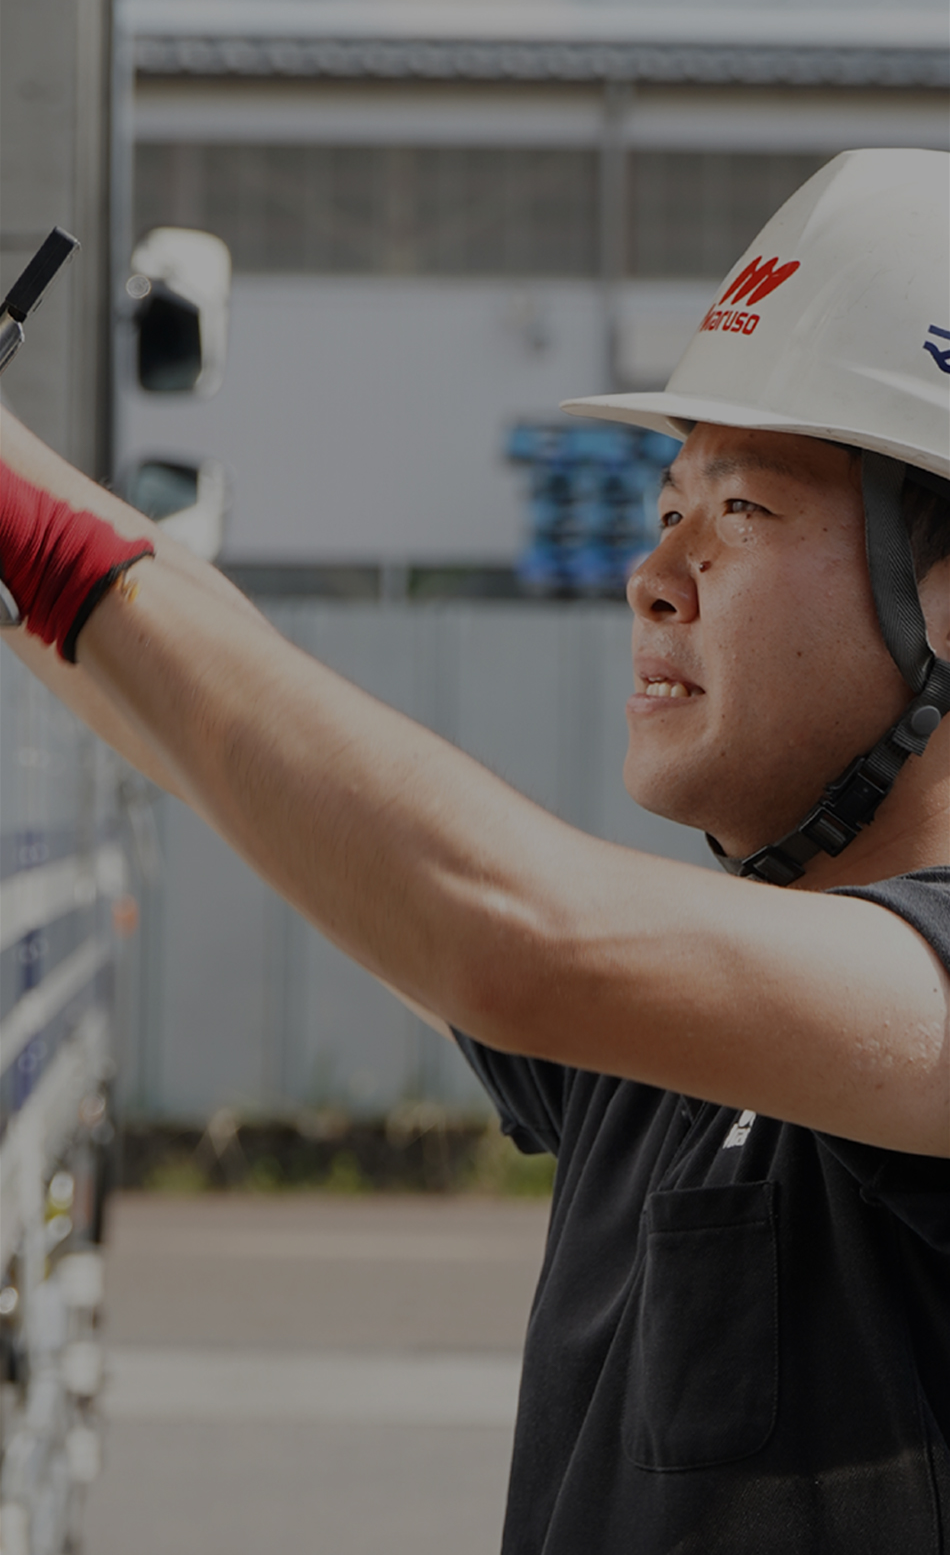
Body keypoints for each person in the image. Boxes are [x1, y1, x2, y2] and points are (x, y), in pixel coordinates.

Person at [1, 147, 948, 1552]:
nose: (652, 576)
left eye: (740, 512)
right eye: (667, 509)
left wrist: (48, 538)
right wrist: (29, 568)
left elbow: (507, 937)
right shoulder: (686, 1034)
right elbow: (292, 794)